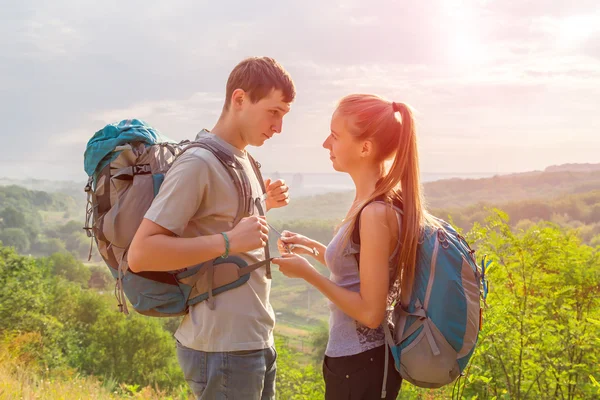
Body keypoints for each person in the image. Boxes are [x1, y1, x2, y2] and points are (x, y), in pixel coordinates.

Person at [128, 56, 295, 400]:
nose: (278, 127)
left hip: (255, 339)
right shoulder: (197, 162)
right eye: (274, 112)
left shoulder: (244, 159)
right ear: (239, 100)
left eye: (284, 116)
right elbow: (141, 253)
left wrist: (264, 204)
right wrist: (227, 241)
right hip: (222, 348)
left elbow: (227, 227)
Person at [272, 94, 432, 399]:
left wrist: (309, 274)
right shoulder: (369, 202)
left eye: (334, 136)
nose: (325, 144)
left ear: (365, 147)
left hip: (363, 365)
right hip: (354, 361)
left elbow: (371, 313)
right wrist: (312, 248)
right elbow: (359, 269)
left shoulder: (375, 212)